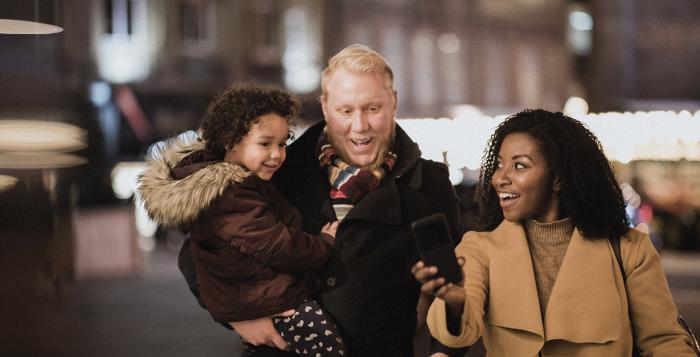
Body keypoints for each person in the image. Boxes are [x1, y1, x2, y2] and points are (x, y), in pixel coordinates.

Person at [176, 44, 463, 356]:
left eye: (372, 108)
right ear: (326, 107)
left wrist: (445, 351)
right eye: (345, 110)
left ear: (393, 102)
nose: (359, 125)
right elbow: (196, 254)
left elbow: (454, 284)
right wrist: (238, 318)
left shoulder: (429, 183)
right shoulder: (280, 168)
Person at [413, 109, 697, 356]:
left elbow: (664, 342)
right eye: (499, 164)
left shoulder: (629, 250)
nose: (500, 178)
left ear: (558, 177)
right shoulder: (479, 249)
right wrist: (455, 303)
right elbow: (460, 332)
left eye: (519, 165)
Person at [138, 83, 348, 356]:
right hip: (271, 303)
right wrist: (325, 244)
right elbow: (279, 245)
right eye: (264, 143)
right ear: (230, 140)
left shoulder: (241, 183)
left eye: (283, 143)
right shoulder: (230, 193)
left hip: (265, 300)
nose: (277, 154)